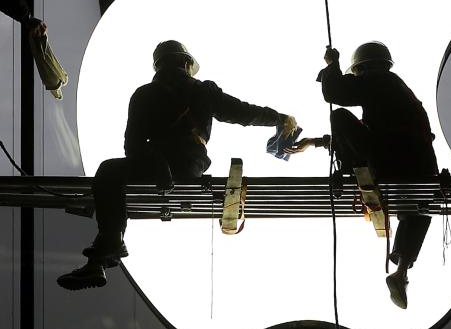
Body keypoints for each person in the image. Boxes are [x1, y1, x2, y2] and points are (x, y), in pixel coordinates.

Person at [58, 40, 297, 290]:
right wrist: (277, 118)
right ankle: (103, 253)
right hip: (189, 166)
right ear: (186, 63)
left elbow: (132, 146)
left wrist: (156, 162)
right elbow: (242, 112)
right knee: (115, 171)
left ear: (158, 67)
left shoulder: (143, 95)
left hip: (154, 166)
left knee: (109, 172)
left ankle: (110, 242)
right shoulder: (202, 91)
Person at [288, 41, 438, 309]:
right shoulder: (399, 91)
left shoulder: (378, 79)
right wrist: (316, 142)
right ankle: (402, 271)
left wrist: (331, 65)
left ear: (361, 68)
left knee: (340, 117)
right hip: (421, 167)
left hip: (389, 158)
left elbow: (336, 93)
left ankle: (355, 171)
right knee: (418, 208)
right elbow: (367, 131)